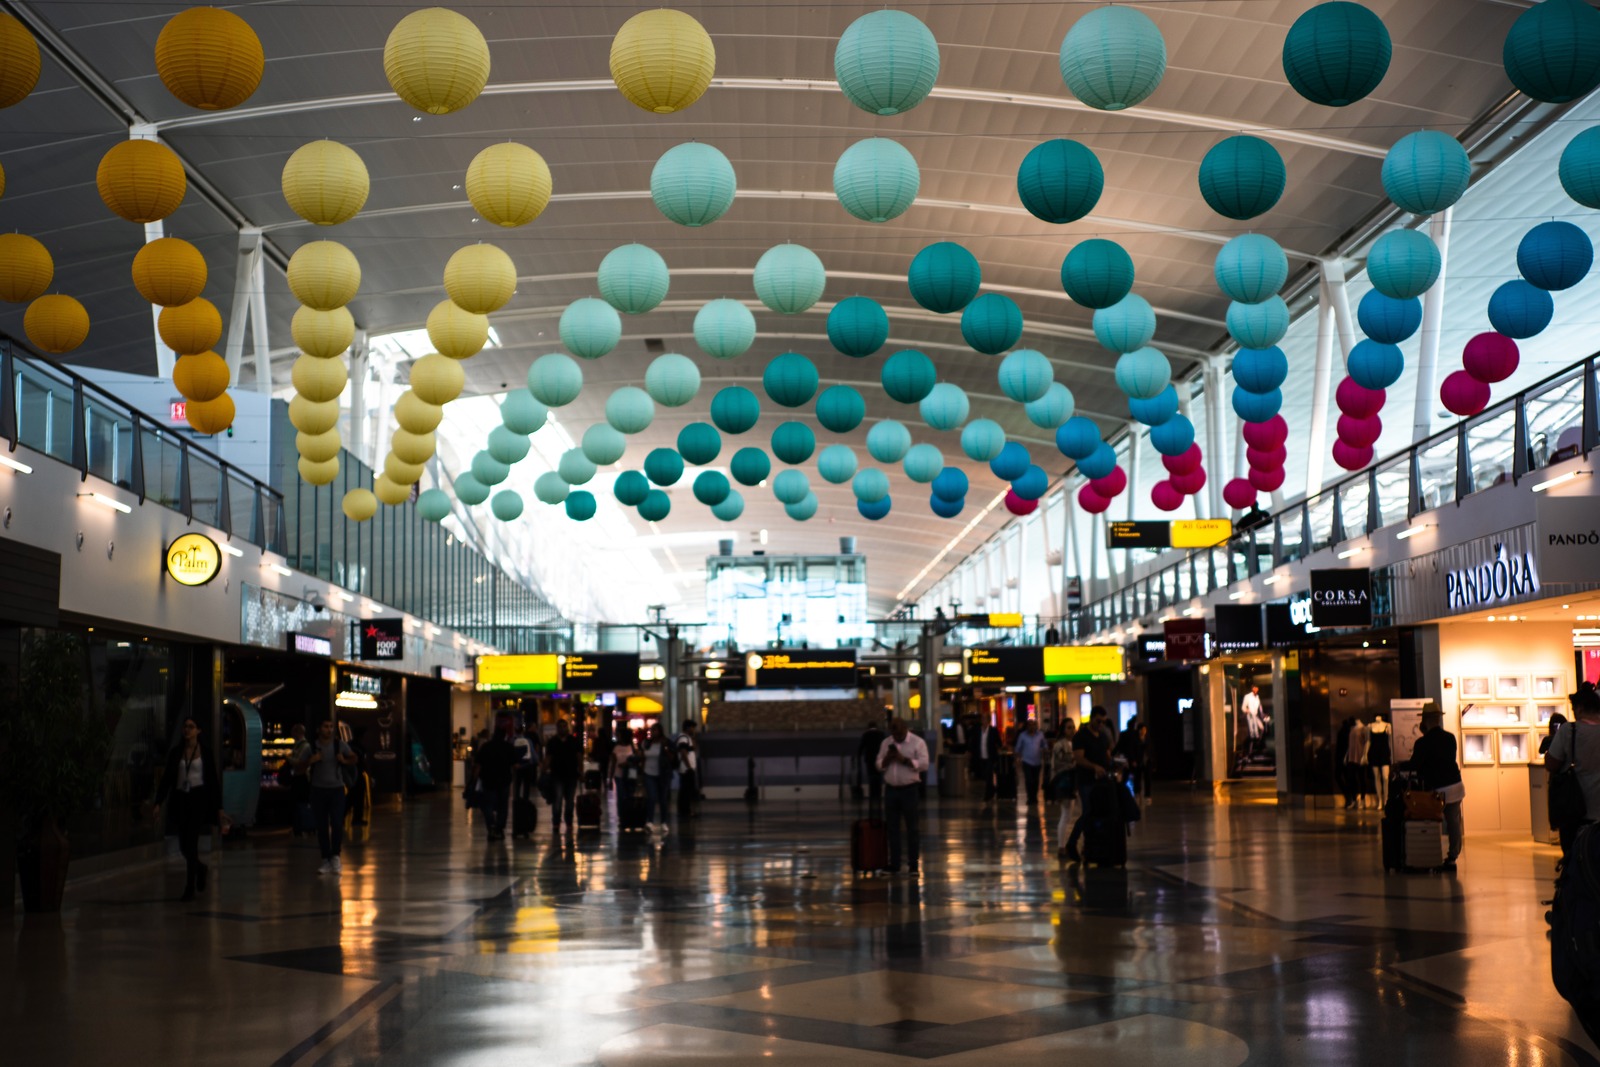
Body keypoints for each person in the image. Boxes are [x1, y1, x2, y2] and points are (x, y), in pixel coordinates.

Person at [152, 716, 229, 901]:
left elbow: (212, 782)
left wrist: (219, 809)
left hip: (198, 800)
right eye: (185, 727)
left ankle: (189, 887)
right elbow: (167, 780)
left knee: (191, 843)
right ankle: (200, 868)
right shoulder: (176, 753)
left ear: (198, 731)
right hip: (180, 800)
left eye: (191, 727)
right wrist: (158, 802)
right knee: (183, 845)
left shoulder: (205, 753)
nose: (187, 730)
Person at [294, 719, 356, 873]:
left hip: (337, 789)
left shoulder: (339, 745)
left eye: (331, 727)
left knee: (336, 823)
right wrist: (310, 761)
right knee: (321, 826)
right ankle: (325, 859)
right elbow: (299, 768)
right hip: (318, 791)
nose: (329, 730)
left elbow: (354, 758)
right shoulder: (311, 747)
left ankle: (335, 855)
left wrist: (345, 760)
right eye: (325, 727)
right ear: (318, 729)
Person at [1546, 684, 1600, 855]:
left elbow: (1551, 763)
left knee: (1573, 856)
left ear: (1581, 707)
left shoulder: (1569, 731)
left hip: (1573, 805)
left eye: (1574, 708)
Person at [1409, 706, 1464, 869]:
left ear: (1424, 721)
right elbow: (1450, 758)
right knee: (1453, 822)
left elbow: (1415, 765)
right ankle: (1453, 857)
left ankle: (1431, 855)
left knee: (1431, 822)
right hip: (1455, 785)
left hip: (1436, 790)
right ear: (1439, 719)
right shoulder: (1450, 738)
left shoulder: (1422, 743)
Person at [875, 718, 929, 876]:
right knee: (892, 829)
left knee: (912, 829)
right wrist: (887, 759)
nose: (896, 736)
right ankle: (895, 864)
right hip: (891, 790)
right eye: (893, 733)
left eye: (899, 733)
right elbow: (878, 764)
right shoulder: (886, 743)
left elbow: (924, 764)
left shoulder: (917, 743)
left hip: (909, 790)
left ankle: (913, 865)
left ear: (905, 728)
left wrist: (904, 760)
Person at [1063, 706, 1113, 863]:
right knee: (1088, 812)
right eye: (1098, 721)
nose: (1100, 724)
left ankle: (1089, 846)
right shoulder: (1082, 736)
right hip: (1086, 781)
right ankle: (1072, 843)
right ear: (1092, 718)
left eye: (1103, 722)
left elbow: (1107, 755)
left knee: (1096, 813)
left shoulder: (1103, 736)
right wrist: (1094, 767)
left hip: (1102, 781)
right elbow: (1079, 758)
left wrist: (1113, 764)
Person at [472, 715, 519, 843]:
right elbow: (515, 765)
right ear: (504, 735)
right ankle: (499, 828)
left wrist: (474, 780)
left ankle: (491, 826)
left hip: (488, 780)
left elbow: (478, 765)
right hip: (504, 780)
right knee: (503, 806)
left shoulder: (486, 747)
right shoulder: (508, 747)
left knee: (487, 805)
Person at [545, 717, 584, 834]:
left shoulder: (574, 741)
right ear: (557, 728)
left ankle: (569, 822)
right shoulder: (552, 742)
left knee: (570, 801)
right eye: (560, 727)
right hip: (557, 775)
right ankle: (556, 823)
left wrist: (581, 772)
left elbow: (579, 758)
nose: (563, 729)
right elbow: (548, 758)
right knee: (557, 800)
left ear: (567, 727)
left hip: (571, 775)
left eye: (564, 726)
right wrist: (543, 770)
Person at [1049, 723, 1078, 857]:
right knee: (1066, 814)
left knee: (1069, 814)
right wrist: (1072, 764)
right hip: (1065, 781)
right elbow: (1056, 765)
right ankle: (1061, 846)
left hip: (1074, 781)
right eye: (1069, 727)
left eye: (1073, 727)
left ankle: (1064, 845)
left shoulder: (1075, 743)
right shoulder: (1060, 745)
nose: (1072, 730)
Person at [639, 722, 672, 835]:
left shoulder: (666, 743)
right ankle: (650, 821)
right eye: (652, 730)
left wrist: (666, 749)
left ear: (660, 731)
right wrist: (641, 773)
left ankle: (664, 822)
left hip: (662, 774)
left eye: (655, 730)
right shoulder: (646, 743)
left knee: (663, 799)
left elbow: (672, 757)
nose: (653, 733)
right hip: (649, 773)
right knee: (651, 797)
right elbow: (642, 757)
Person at [1114, 721, 1149, 802]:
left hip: (1127, 758)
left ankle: (1122, 792)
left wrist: (1113, 754)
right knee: (1137, 777)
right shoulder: (1134, 735)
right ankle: (1137, 793)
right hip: (1133, 759)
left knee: (1127, 777)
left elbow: (1120, 745)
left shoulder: (1125, 734)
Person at [1015, 718, 1046, 807]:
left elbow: (1044, 745)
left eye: (1033, 725)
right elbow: (1018, 748)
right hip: (1026, 761)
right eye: (1030, 725)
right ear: (1027, 726)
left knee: (1036, 781)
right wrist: (1017, 758)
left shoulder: (1040, 735)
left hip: (1037, 762)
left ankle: (1034, 797)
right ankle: (1029, 797)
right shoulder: (1022, 736)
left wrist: (1044, 749)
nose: (1031, 727)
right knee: (1029, 780)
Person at [970, 715, 1001, 803]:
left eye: (985, 719)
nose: (983, 720)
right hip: (981, 756)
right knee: (985, 775)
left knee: (988, 775)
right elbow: (974, 742)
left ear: (988, 721)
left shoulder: (993, 731)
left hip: (990, 757)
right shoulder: (977, 730)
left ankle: (988, 795)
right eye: (982, 719)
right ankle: (993, 790)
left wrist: (998, 749)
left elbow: (998, 742)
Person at [675, 720, 701, 819]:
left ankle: (686, 810)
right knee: (685, 791)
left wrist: (693, 737)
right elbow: (683, 753)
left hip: (689, 768)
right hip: (686, 769)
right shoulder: (683, 738)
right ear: (687, 728)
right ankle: (685, 811)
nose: (694, 729)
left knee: (687, 790)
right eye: (692, 727)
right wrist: (689, 767)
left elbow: (694, 747)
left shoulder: (688, 738)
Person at [1367, 713, 1393, 810]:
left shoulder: (1387, 725)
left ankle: (1386, 799)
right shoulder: (1369, 726)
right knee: (1376, 777)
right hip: (1374, 752)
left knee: (1385, 777)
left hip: (1384, 752)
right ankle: (1380, 801)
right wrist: (1365, 755)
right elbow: (1368, 741)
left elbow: (1390, 741)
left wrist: (1392, 754)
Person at [1344, 716, 1370, 810]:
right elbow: (1350, 743)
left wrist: (1365, 755)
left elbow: (1367, 742)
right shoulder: (1352, 729)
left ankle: (1362, 800)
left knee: (1362, 778)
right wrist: (1347, 755)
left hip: (1360, 757)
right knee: (1351, 779)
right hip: (1351, 757)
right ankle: (1354, 800)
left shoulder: (1364, 728)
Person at [857, 720, 886, 803]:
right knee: (879, 775)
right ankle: (879, 793)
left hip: (869, 758)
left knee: (871, 775)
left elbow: (861, 747)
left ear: (868, 727)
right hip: (879, 758)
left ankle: (872, 793)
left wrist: (859, 756)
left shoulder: (866, 734)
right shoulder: (881, 734)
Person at [1241, 685, 1264, 763]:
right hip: (1250, 716)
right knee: (1252, 735)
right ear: (1252, 688)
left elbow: (1259, 707)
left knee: (1262, 728)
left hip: (1255, 715)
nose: (1256, 689)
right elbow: (1243, 707)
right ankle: (1249, 754)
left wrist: (1263, 714)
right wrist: (1248, 711)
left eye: (1257, 688)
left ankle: (1256, 748)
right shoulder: (1247, 697)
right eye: (1255, 688)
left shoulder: (1257, 697)